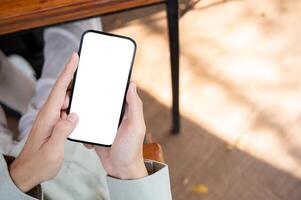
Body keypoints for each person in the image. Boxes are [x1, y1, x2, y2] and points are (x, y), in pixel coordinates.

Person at [0, 18, 172, 200]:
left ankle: (17, 77)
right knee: (73, 27)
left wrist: (24, 174)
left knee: (61, 65)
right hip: (85, 167)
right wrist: (127, 169)